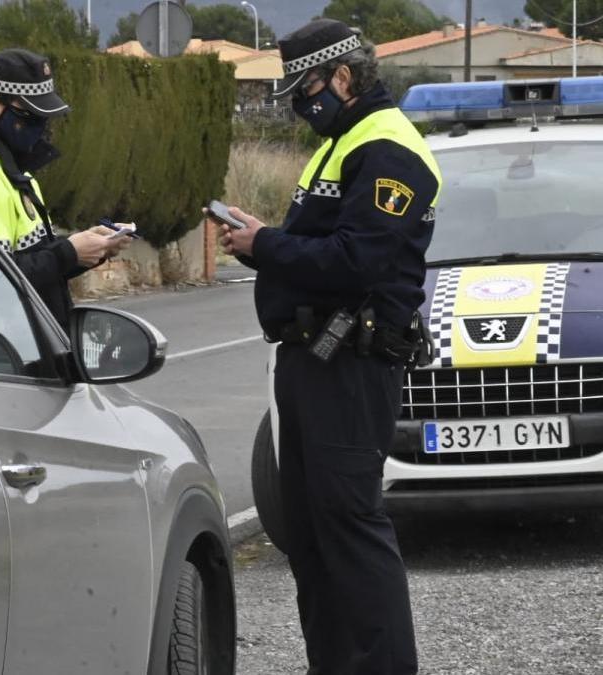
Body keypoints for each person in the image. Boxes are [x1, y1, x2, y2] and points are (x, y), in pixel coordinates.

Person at [213, 18, 441, 675]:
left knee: (350, 525)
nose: (295, 100)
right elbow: (316, 251)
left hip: (351, 360)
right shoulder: (340, 142)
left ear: (343, 77)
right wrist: (264, 245)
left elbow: (356, 261)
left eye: (303, 85)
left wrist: (265, 245)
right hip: (311, 361)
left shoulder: (388, 147)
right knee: (310, 537)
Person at [0, 49, 128, 329]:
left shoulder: (11, 170)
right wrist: (68, 253)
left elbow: (34, 260)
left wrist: (91, 247)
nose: (42, 126)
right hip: (1, 354)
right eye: (31, 114)